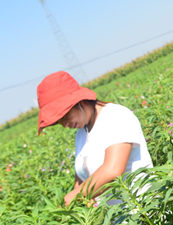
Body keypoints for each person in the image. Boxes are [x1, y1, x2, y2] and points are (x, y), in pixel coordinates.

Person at [36, 71, 153, 206]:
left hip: (142, 211)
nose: (64, 124)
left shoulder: (115, 116)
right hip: (114, 222)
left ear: (79, 102)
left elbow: (113, 170)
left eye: (64, 116)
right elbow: (80, 181)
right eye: (58, 122)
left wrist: (74, 196)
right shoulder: (81, 134)